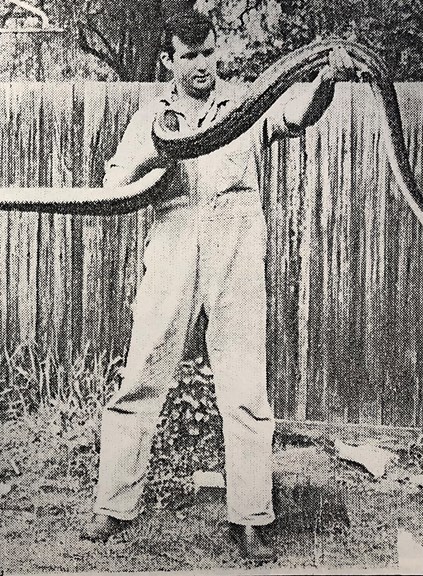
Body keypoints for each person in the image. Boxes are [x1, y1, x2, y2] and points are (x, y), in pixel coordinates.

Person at [80, 11, 355, 561]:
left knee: (246, 389)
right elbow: (113, 186)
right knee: (140, 378)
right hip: (174, 245)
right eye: (190, 56)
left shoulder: (246, 104)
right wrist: (158, 158)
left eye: (208, 53)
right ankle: (114, 506)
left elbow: (299, 115)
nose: (203, 65)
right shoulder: (149, 119)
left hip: (236, 246)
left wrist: (327, 81)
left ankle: (250, 517)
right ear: (169, 61)